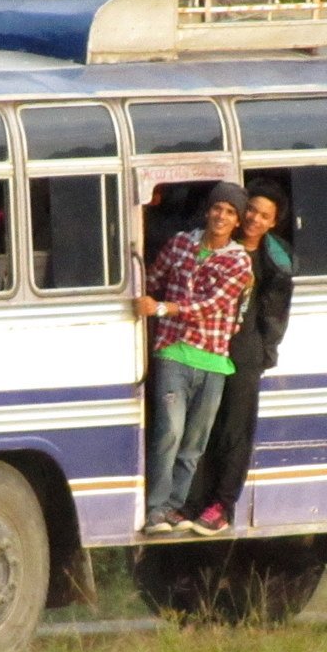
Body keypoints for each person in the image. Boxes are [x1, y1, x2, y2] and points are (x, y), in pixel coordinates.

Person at [136, 182, 253, 533]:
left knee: (193, 444)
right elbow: (154, 276)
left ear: (237, 221)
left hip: (213, 360)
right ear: (208, 210)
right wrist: (142, 296)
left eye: (230, 212)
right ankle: (156, 509)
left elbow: (213, 304)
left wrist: (161, 308)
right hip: (173, 352)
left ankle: (174, 506)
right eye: (218, 208)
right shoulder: (181, 243)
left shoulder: (239, 261)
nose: (221, 215)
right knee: (168, 432)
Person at [183, 180, 295, 536]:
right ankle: (191, 502)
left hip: (245, 353)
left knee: (235, 429)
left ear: (273, 223)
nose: (255, 220)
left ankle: (221, 506)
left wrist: (263, 354)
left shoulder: (274, 259)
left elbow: (275, 313)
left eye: (265, 216)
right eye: (252, 211)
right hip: (206, 346)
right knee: (201, 426)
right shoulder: (217, 246)